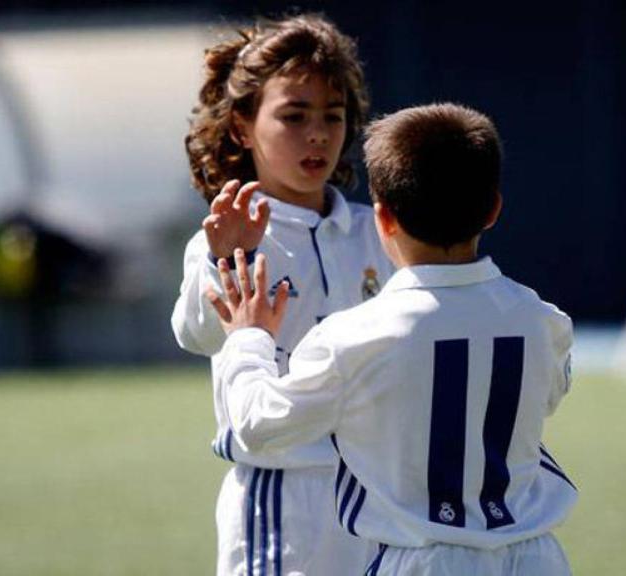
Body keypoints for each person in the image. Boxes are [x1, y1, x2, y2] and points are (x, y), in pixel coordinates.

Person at [207, 103, 578, 575]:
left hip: (422, 561)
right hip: (538, 559)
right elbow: (544, 398)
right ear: (493, 210)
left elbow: (258, 424)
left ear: (383, 218)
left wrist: (249, 338)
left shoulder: (355, 337)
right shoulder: (543, 320)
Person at [171, 13, 392, 576]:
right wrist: (226, 261)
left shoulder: (375, 233)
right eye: (294, 116)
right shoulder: (227, 237)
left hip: (379, 494)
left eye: (332, 116)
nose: (317, 134)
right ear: (242, 127)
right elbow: (196, 334)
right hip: (284, 499)